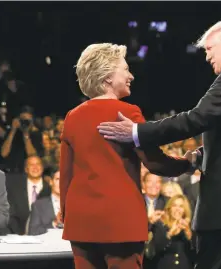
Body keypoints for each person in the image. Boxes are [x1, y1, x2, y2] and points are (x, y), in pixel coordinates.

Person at [97, 18, 221, 269]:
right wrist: (202, 155)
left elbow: (194, 120)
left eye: (210, 49)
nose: (207, 57)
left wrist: (137, 132)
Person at [60, 43, 197, 269]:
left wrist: (70, 218)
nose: (131, 75)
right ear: (107, 78)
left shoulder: (72, 117)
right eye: (125, 69)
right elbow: (154, 163)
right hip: (121, 221)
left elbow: (66, 176)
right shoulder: (128, 113)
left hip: (81, 223)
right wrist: (188, 164)